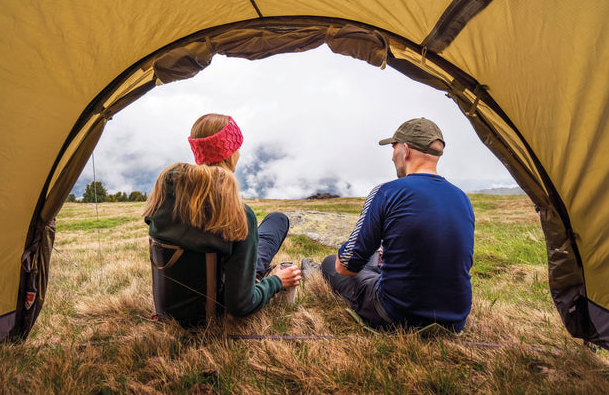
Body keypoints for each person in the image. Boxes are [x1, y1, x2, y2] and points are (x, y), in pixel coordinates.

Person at [313, 117, 474, 332]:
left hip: (396, 313)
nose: (391, 157)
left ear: (405, 150)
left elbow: (346, 266)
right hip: (455, 318)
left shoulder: (388, 192)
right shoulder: (462, 198)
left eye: (394, 148)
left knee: (330, 263)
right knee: (377, 257)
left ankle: (312, 270)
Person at [143, 113, 301, 327]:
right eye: (237, 147)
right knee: (276, 223)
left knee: (275, 221)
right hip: (212, 313)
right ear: (229, 153)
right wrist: (277, 282)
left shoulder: (164, 197)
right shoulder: (238, 213)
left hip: (171, 310)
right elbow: (241, 305)